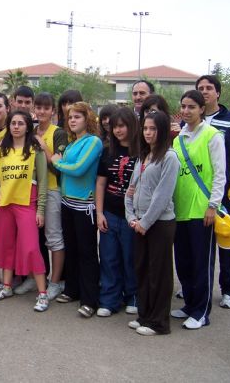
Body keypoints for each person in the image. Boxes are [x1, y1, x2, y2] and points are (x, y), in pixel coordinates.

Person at [196, 75, 230, 309]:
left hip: (225, 194)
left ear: (218, 93)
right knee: (198, 243)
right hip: (197, 193)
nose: (205, 92)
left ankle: (228, 289)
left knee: (226, 240)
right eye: (201, 89)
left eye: (209, 88)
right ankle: (197, 285)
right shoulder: (192, 121)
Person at [171, 90, 226, 330]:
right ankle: (189, 305)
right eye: (183, 106)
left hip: (202, 210)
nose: (186, 111)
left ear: (202, 109)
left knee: (201, 263)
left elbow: (220, 174)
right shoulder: (178, 138)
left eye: (191, 107)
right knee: (183, 261)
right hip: (180, 210)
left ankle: (202, 312)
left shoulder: (213, 135)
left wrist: (213, 205)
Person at [0, 110, 49, 311]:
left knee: (31, 247)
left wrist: (40, 210)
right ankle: (6, 287)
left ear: (27, 127)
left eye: (20, 123)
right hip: (5, 205)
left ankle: (42, 294)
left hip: (26, 204)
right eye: (13, 123)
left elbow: (42, 182)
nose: (16, 126)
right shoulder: (1, 151)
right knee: (5, 246)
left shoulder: (35, 150)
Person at [125, 111, 180, 336]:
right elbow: (130, 190)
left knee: (159, 273)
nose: (148, 133)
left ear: (163, 130)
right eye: (146, 129)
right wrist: (131, 217)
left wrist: (145, 222)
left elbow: (162, 196)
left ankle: (159, 323)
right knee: (143, 270)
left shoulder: (169, 157)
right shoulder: (143, 156)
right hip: (139, 223)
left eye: (153, 129)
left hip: (159, 224)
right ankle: (144, 315)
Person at [52, 102, 103, 318]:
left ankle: (90, 299)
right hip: (67, 204)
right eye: (70, 117)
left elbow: (79, 169)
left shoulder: (93, 141)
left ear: (87, 119)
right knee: (71, 249)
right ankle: (72, 290)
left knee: (87, 253)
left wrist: (57, 162)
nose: (72, 120)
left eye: (77, 117)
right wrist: (61, 162)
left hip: (85, 206)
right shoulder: (73, 143)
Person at [95, 107, 139, 317]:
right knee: (109, 257)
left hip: (132, 216)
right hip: (110, 213)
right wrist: (99, 213)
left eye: (122, 126)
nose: (118, 131)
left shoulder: (143, 152)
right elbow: (101, 184)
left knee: (130, 257)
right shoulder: (107, 151)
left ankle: (132, 296)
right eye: (114, 127)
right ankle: (109, 299)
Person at [33, 92, 68, 300]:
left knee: (53, 238)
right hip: (31, 190)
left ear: (53, 110)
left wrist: (43, 145)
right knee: (33, 238)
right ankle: (35, 277)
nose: (42, 111)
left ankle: (56, 282)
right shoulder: (30, 130)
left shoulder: (58, 133)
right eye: (39, 107)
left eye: (46, 108)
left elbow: (58, 165)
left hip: (53, 189)